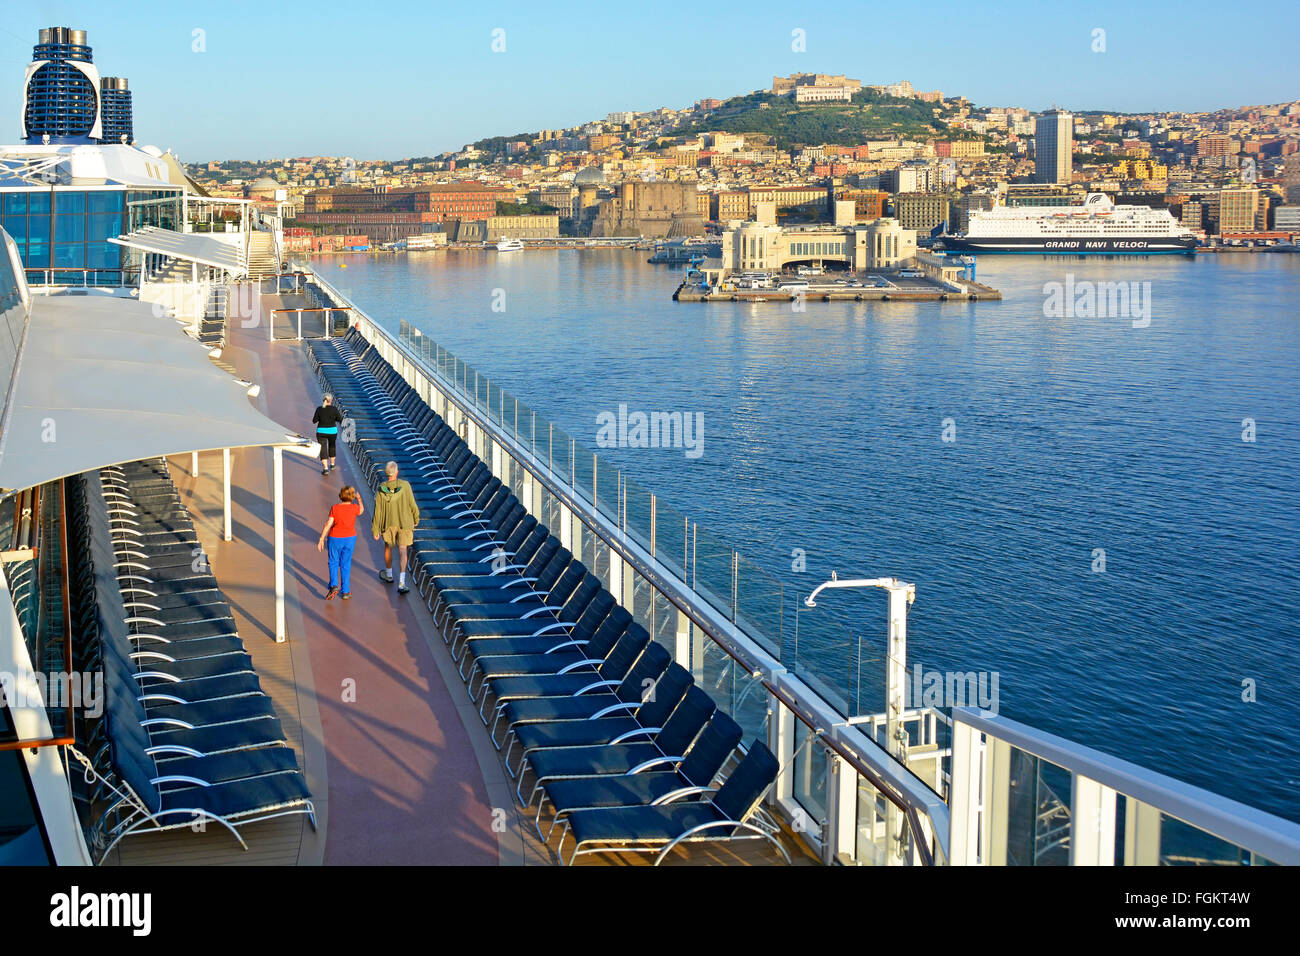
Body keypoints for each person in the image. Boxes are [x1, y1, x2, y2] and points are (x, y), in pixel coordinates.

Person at [372, 460, 419, 594]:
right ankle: (402, 582)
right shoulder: (405, 486)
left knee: (388, 547)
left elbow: (378, 510)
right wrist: (416, 518)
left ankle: (389, 574)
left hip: (389, 523)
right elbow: (412, 505)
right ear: (396, 472)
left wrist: (375, 529)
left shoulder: (382, 488)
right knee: (403, 550)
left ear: (387, 473)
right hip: (404, 523)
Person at [318, 486, 364, 601]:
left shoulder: (335, 508)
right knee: (345, 564)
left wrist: (321, 538)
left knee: (333, 562)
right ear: (352, 496)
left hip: (335, 538)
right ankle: (345, 591)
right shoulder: (354, 508)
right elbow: (361, 511)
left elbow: (329, 523)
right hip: (350, 538)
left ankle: (334, 585)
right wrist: (359, 500)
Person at [312, 394, 344, 475]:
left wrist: (321, 418)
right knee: (332, 446)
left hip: (321, 432)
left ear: (323, 400)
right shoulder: (334, 409)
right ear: (331, 400)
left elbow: (314, 421)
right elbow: (340, 420)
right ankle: (332, 465)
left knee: (323, 449)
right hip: (332, 431)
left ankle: (325, 469)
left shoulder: (319, 409)